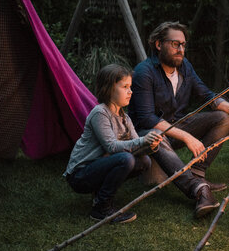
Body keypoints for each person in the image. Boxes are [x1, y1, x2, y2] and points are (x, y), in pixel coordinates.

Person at [128, 21, 229, 218]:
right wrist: (186, 137)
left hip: (176, 126)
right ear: (159, 44)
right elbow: (147, 118)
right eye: (175, 44)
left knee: (223, 118)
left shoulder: (185, 67)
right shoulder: (144, 72)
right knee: (156, 134)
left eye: (183, 45)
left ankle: (198, 172)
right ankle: (198, 189)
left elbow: (207, 95)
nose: (180, 49)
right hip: (145, 135)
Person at [64, 64, 163, 223]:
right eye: (125, 87)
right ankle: (101, 208)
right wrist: (143, 140)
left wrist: (151, 145)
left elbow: (138, 146)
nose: (130, 91)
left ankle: (100, 194)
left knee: (144, 161)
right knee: (125, 159)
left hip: (99, 166)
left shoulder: (125, 117)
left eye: (130, 87)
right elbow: (111, 147)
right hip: (80, 174)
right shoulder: (100, 113)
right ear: (109, 88)